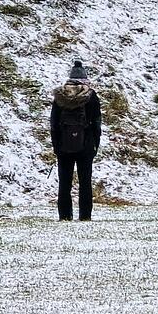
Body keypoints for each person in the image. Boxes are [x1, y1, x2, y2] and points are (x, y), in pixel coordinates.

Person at [50, 60, 102, 221]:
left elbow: (53, 123)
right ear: (85, 79)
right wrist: (95, 144)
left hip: (63, 146)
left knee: (64, 182)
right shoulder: (91, 96)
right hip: (86, 145)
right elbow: (97, 123)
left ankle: (65, 215)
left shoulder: (60, 96)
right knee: (85, 182)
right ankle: (85, 215)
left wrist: (56, 145)